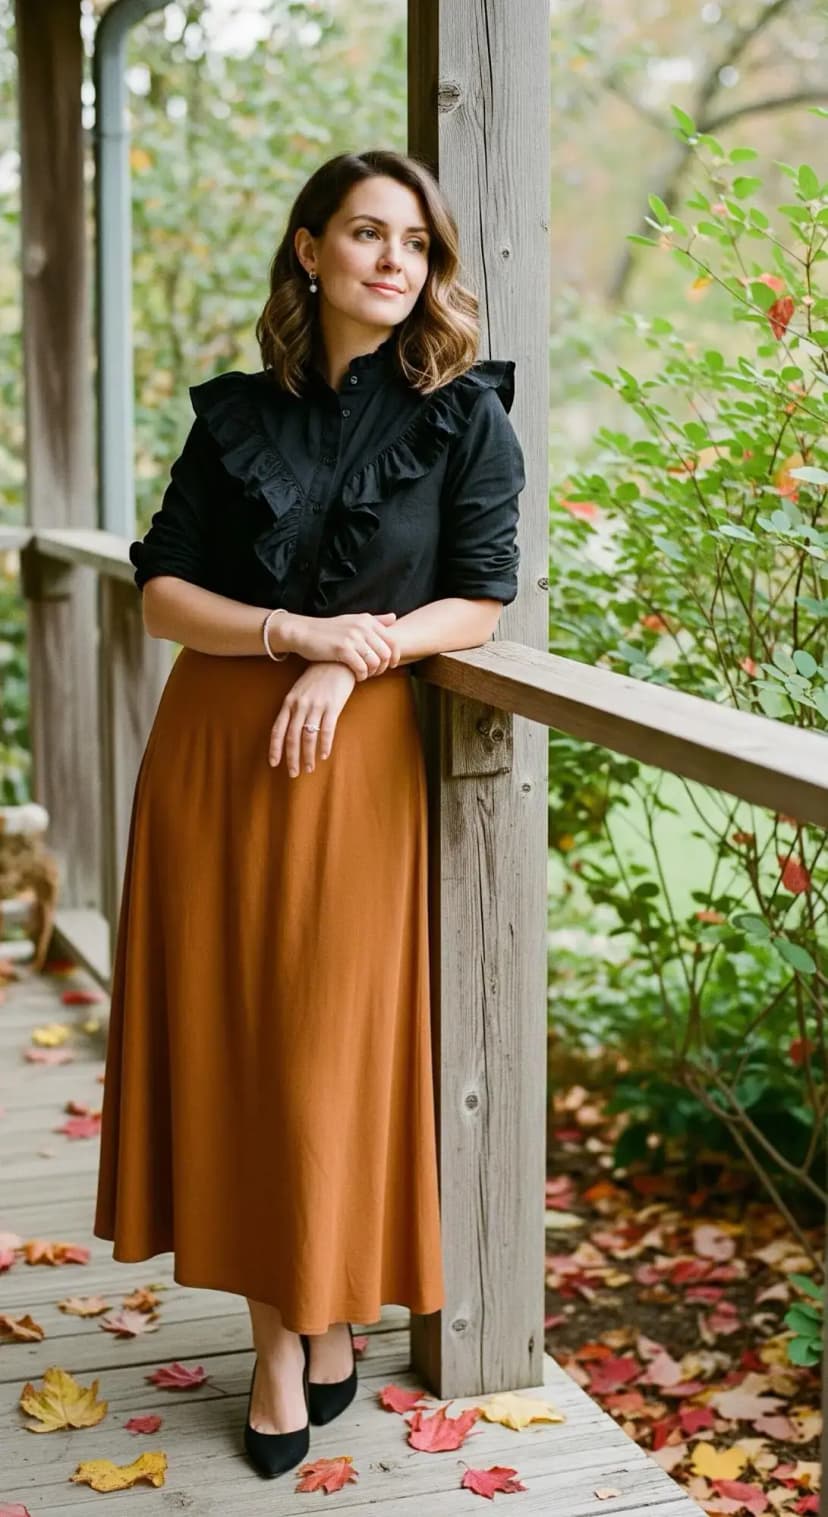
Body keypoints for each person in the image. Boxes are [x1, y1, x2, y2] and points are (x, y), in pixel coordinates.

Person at [92, 147, 526, 1480]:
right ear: (309, 250)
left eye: (417, 244)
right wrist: (289, 628)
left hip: (353, 775)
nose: (396, 260)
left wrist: (355, 656)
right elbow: (161, 592)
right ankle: (287, 1345)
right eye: (367, 234)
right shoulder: (235, 417)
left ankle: (326, 1315)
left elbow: (482, 598)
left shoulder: (467, 419)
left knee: (318, 1061)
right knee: (237, 1054)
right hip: (215, 756)